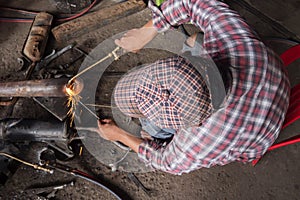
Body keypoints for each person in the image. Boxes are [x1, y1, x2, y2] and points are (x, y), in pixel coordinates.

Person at [97, 0, 290, 175]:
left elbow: (165, 161)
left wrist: (120, 135)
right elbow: (194, 2)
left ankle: (156, 132)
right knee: (194, 39)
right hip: (273, 81)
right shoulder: (235, 42)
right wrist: (146, 31)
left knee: (150, 129)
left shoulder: (201, 139)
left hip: (253, 138)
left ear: (192, 124)